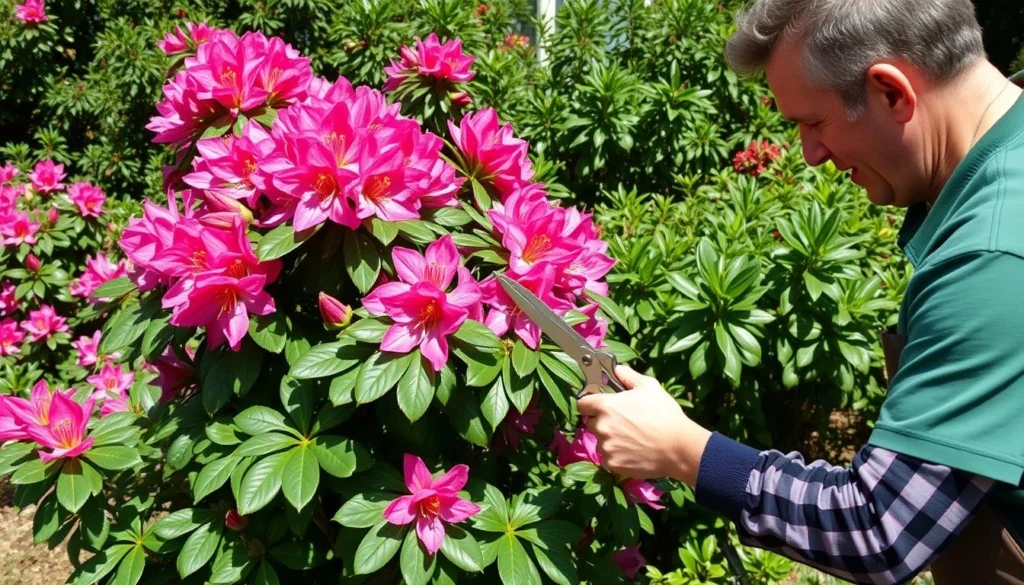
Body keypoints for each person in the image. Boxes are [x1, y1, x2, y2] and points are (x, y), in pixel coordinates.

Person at [576, 1, 1024, 583]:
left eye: (813, 124)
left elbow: (879, 527)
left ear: (892, 92)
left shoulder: (993, 256)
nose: (811, 156)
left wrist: (686, 451)